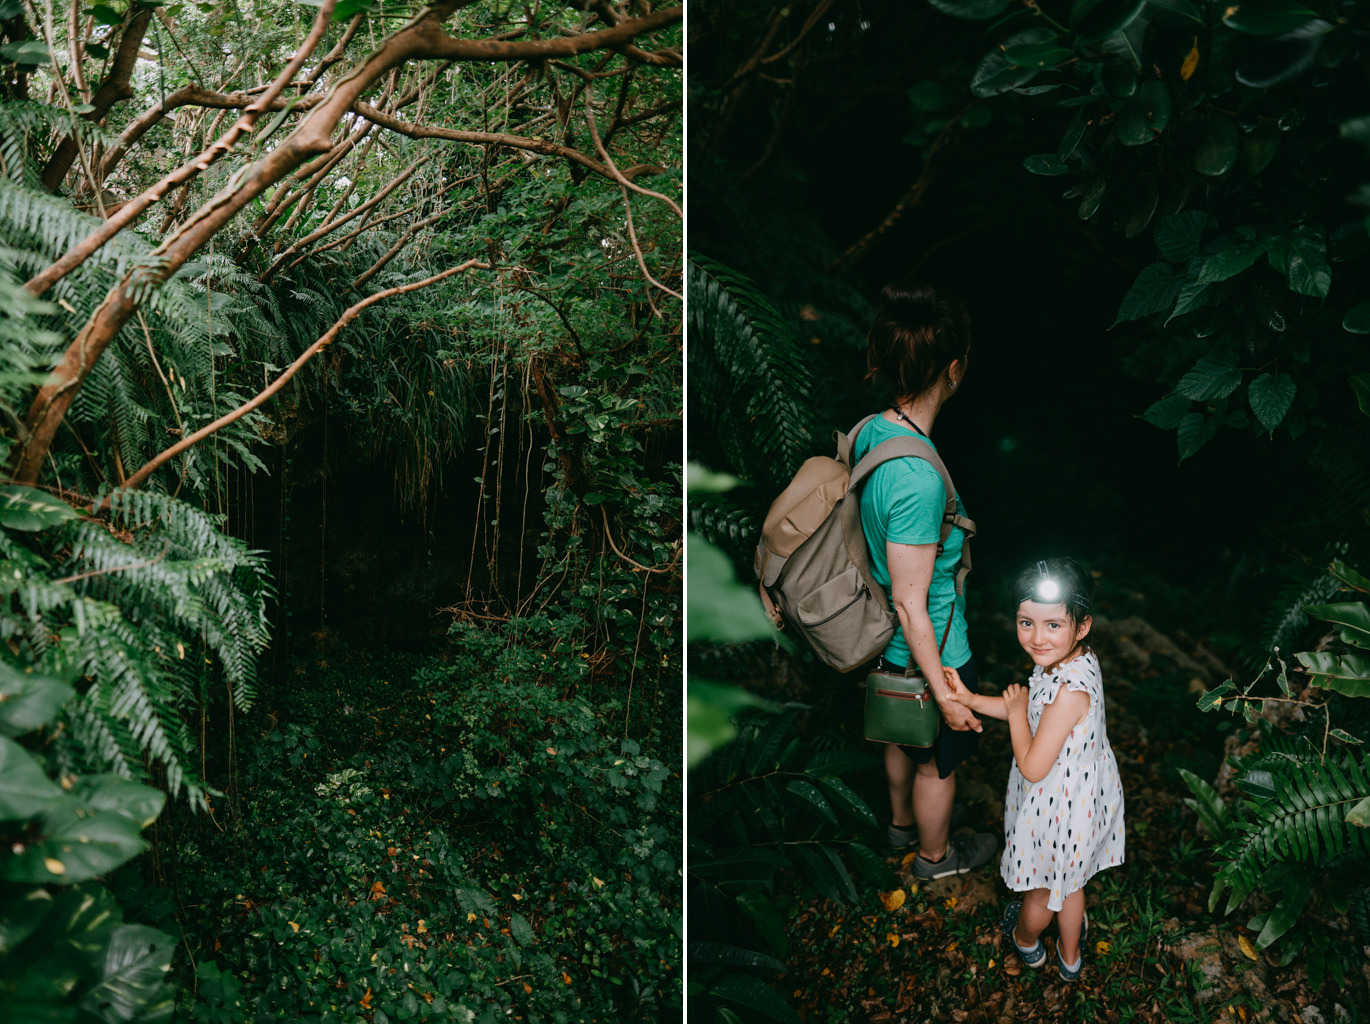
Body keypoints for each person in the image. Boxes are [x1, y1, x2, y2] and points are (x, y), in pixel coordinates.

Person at [856, 282, 997, 880]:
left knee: (898, 739)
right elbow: (914, 605)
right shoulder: (918, 478)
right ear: (955, 369)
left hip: (880, 641)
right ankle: (935, 860)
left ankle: (899, 827)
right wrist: (945, 692)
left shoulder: (874, 431)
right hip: (928, 649)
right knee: (936, 764)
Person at [946, 557, 1125, 982]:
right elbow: (1027, 712)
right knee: (1073, 885)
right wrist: (970, 699)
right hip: (1080, 799)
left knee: (1043, 893)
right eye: (1026, 622)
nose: (1037, 638)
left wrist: (1011, 711)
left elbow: (1030, 764)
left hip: (1054, 810)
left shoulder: (1068, 692)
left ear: (1082, 626)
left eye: (1053, 625)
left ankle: (1027, 942)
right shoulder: (1073, 661)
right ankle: (1070, 958)